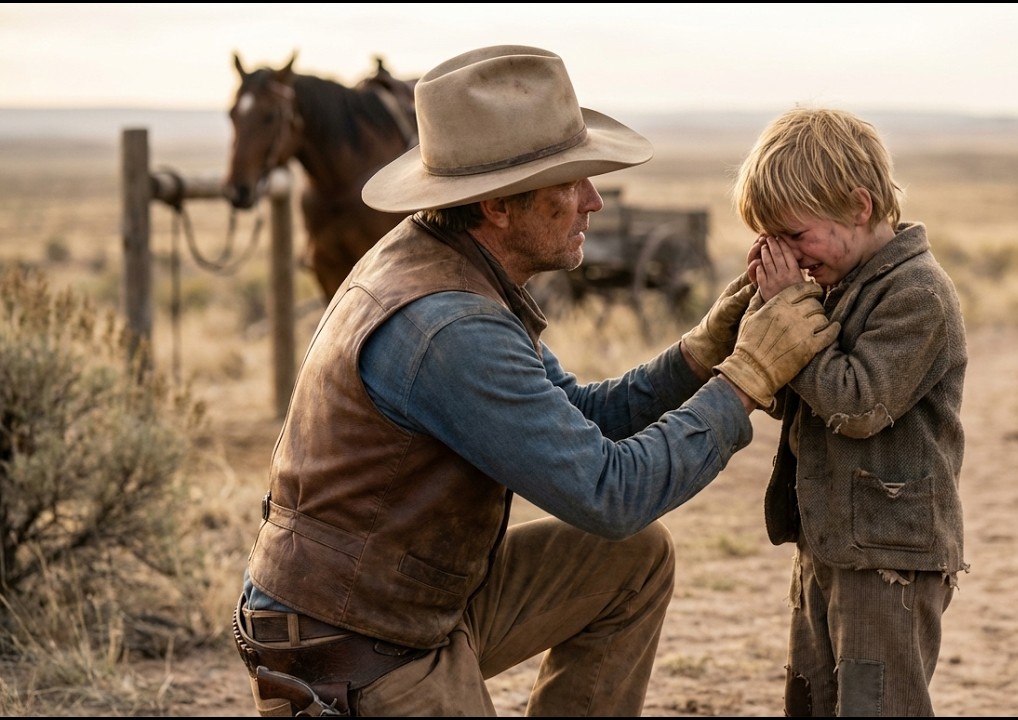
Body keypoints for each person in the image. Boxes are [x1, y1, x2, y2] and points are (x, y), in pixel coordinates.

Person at [230, 45, 840, 717]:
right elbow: (609, 492)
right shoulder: (450, 330)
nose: (595, 201)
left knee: (630, 562)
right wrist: (748, 377)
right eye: (571, 182)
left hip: (398, 610)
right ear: (496, 203)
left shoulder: (443, 260)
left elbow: (575, 414)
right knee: (622, 530)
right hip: (351, 651)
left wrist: (702, 351)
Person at [732, 107, 969, 717]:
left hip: (892, 554)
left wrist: (791, 309)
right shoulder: (838, 284)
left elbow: (858, 402)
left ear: (858, 207)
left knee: (877, 703)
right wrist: (770, 314)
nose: (788, 254)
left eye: (794, 234)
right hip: (833, 540)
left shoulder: (917, 294)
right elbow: (789, 397)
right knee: (811, 698)